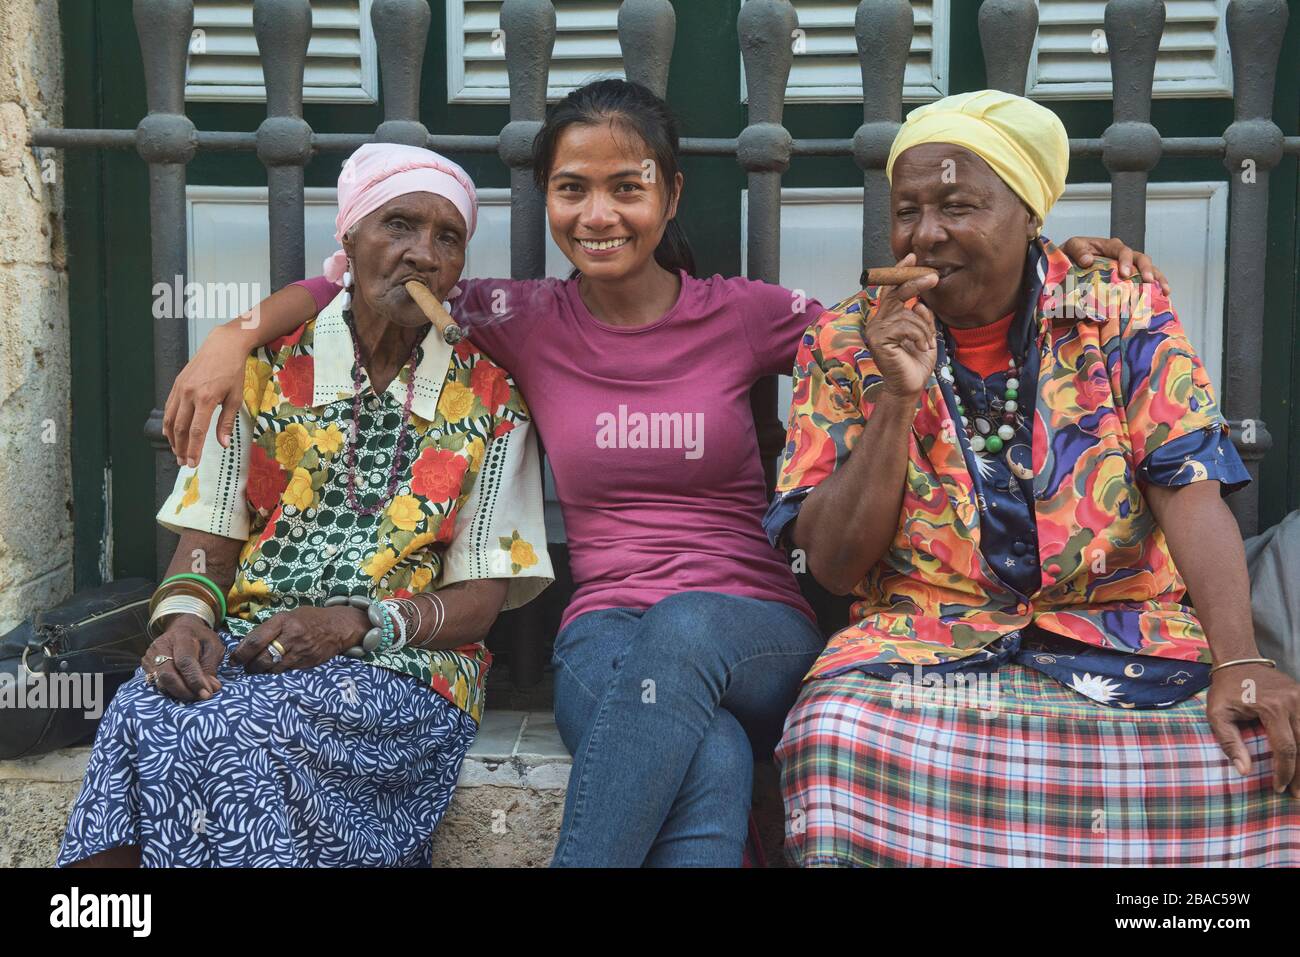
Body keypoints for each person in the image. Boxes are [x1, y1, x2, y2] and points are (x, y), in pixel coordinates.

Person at [158, 79, 1164, 867]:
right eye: (572, 188)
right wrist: (230, 338)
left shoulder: (746, 314)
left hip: (752, 623)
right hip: (604, 630)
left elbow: (905, 312)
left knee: (684, 630)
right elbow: (367, 269)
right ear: (547, 199)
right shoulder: (522, 320)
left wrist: (1039, 250)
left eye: (626, 187)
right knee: (712, 757)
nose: (599, 214)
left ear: (668, 195)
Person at [767, 89, 1300, 867]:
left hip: (1125, 636)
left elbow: (1186, 484)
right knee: (833, 735)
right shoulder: (846, 338)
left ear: (1028, 215)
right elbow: (836, 564)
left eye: (958, 205)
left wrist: (1241, 662)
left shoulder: (1115, 306)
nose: (926, 233)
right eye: (907, 209)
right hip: (924, 643)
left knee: (1257, 753)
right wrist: (897, 400)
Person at [58, 144, 553, 867]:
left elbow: (479, 599)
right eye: (400, 226)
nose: (424, 254)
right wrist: (184, 619)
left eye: (448, 238)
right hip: (256, 649)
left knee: (232, 732)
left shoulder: (492, 397)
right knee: (143, 708)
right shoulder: (260, 368)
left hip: (408, 668)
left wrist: (358, 624)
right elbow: (207, 547)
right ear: (348, 238)